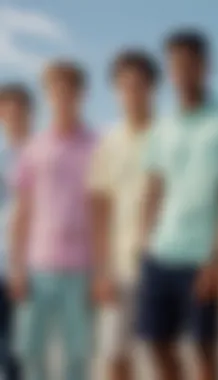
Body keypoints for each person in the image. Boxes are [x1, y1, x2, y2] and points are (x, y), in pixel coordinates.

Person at [137, 29, 218, 380]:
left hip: (202, 257)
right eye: (175, 65)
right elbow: (154, 185)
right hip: (160, 252)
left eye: (189, 64)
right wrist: (143, 241)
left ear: (205, 67)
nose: (181, 72)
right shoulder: (163, 126)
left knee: (204, 348)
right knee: (156, 343)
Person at [10, 61, 97, 380]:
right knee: (29, 350)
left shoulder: (97, 145)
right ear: (47, 95)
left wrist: (102, 270)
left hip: (81, 268)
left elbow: (104, 213)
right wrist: (18, 268)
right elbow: (23, 212)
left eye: (69, 88)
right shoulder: (33, 148)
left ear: (81, 94)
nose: (62, 95)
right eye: (55, 89)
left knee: (77, 355)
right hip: (37, 267)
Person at [88, 50, 159, 380]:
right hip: (118, 267)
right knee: (114, 356)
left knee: (162, 357)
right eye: (124, 86)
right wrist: (100, 270)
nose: (131, 93)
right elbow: (100, 210)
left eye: (138, 85)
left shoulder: (168, 135)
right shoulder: (108, 141)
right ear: (116, 91)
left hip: (163, 263)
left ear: (152, 88)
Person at [0, 83, 33, 380]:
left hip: (32, 266)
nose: (14, 117)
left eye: (20, 110)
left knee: (20, 350)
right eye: (7, 110)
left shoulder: (42, 154)